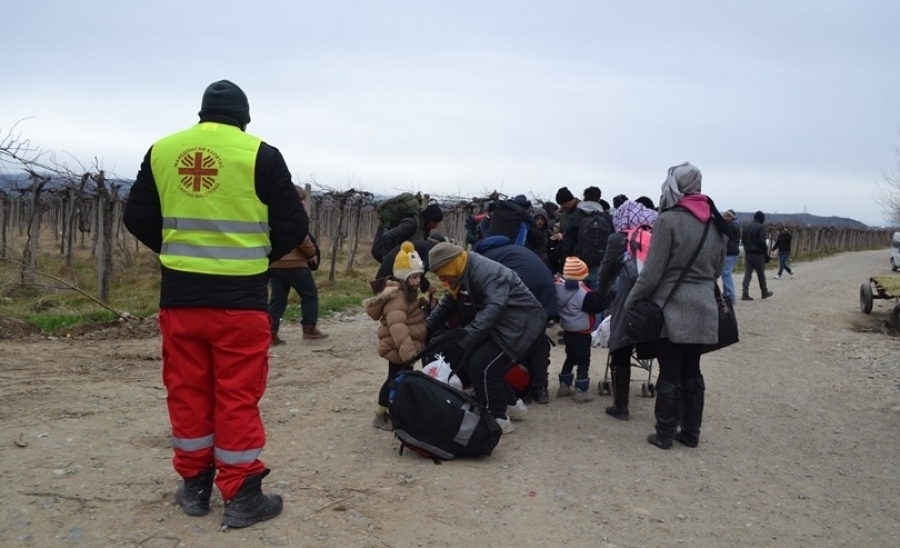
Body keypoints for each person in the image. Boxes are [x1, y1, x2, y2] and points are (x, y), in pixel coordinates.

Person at [123, 79, 306, 527]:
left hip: (180, 300)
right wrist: (257, 258)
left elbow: (136, 216)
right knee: (236, 395)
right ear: (244, 119)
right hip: (240, 303)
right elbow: (293, 224)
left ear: (202, 114)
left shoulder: (163, 150)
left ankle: (194, 488)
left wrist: (177, 251)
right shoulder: (260, 154)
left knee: (187, 392)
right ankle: (242, 495)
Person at [624, 162, 727, 450]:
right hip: (704, 306)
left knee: (669, 371)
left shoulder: (668, 220)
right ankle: (691, 433)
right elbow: (717, 269)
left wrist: (633, 301)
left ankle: (664, 433)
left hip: (671, 307)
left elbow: (652, 272)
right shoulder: (717, 221)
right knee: (692, 371)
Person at [426, 242, 548, 434]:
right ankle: (512, 404)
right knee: (469, 359)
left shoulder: (487, 273)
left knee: (483, 365)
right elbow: (448, 302)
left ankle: (498, 417)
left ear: (451, 265)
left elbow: (493, 310)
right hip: (502, 325)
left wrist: (463, 340)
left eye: (443, 273)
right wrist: (428, 326)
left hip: (521, 325)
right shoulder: (460, 272)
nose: (442, 279)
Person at [473, 235, 557, 404]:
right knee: (537, 339)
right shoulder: (515, 249)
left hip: (524, 289)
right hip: (547, 289)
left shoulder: (486, 259)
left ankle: (516, 387)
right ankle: (540, 388)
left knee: (512, 338)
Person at [596, 199, 658, 420]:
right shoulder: (659, 233)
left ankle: (620, 407)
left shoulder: (619, 238)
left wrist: (602, 293)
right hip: (658, 299)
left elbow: (606, 270)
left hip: (628, 298)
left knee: (621, 345)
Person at [365, 242, 428, 430]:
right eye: (414, 277)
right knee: (394, 379)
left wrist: (421, 303)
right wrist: (408, 351)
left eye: (419, 276)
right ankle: (380, 415)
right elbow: (398, 326)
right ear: (404, 277)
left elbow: (407, 314)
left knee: (399, 378)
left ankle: (394, 410)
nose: (418, 281)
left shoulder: (407, 292)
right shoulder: (397, 298)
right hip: (397, 347)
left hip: (401, 347)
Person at [268, 187, 327, 344]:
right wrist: (311, 253)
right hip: (295, 263)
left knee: (277, 299)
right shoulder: (292, 214)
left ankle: (271, 333)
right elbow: (301, 237)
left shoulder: (270, 210)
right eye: (301, 199)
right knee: (309, 294)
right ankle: (309, 329)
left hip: (274, 263)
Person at [554, 257, 607, 402]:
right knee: (584, 360)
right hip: (582, 332)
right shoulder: (583, 294)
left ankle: (564, 385)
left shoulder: (559, 289)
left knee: (570, 357)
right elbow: (597, 306)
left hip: (568, 330)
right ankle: (581, 390)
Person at [558, 186, 613, 290]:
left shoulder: (576, 216)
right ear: (599, 199)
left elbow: (567, 243)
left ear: (584, 197)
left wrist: (563, 266)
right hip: (598, 264)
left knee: (576, 295)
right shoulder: (606, 217)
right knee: (595, 298)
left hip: (577, 263)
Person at [372, 201, 444, 262]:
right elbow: (387, 236)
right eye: (435, 223)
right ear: (429, 219)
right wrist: (389, 260)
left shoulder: (422, 228)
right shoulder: (411, 224)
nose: (435, 226)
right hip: (381, 250)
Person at [741, 211, 774, 300]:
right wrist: (765, 251)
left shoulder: (746, 227)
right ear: (761, 218)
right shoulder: (761, 228)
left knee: (747, 274)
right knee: (761, 274)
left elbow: (743, 240)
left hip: (748, 253)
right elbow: (762, 241)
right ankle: (764, 292)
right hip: (758, 254)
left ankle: (745, 292)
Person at [719, 209, 741, 304]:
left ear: (732, 217)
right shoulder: (734, 225)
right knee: (725, 274)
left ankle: (730, 297)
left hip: (730, 252)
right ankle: (727, 295)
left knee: (726, 274)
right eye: (724, 215)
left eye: (728, 216)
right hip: (730, 252)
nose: (725, 218)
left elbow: (726, 237)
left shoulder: (732, 226)